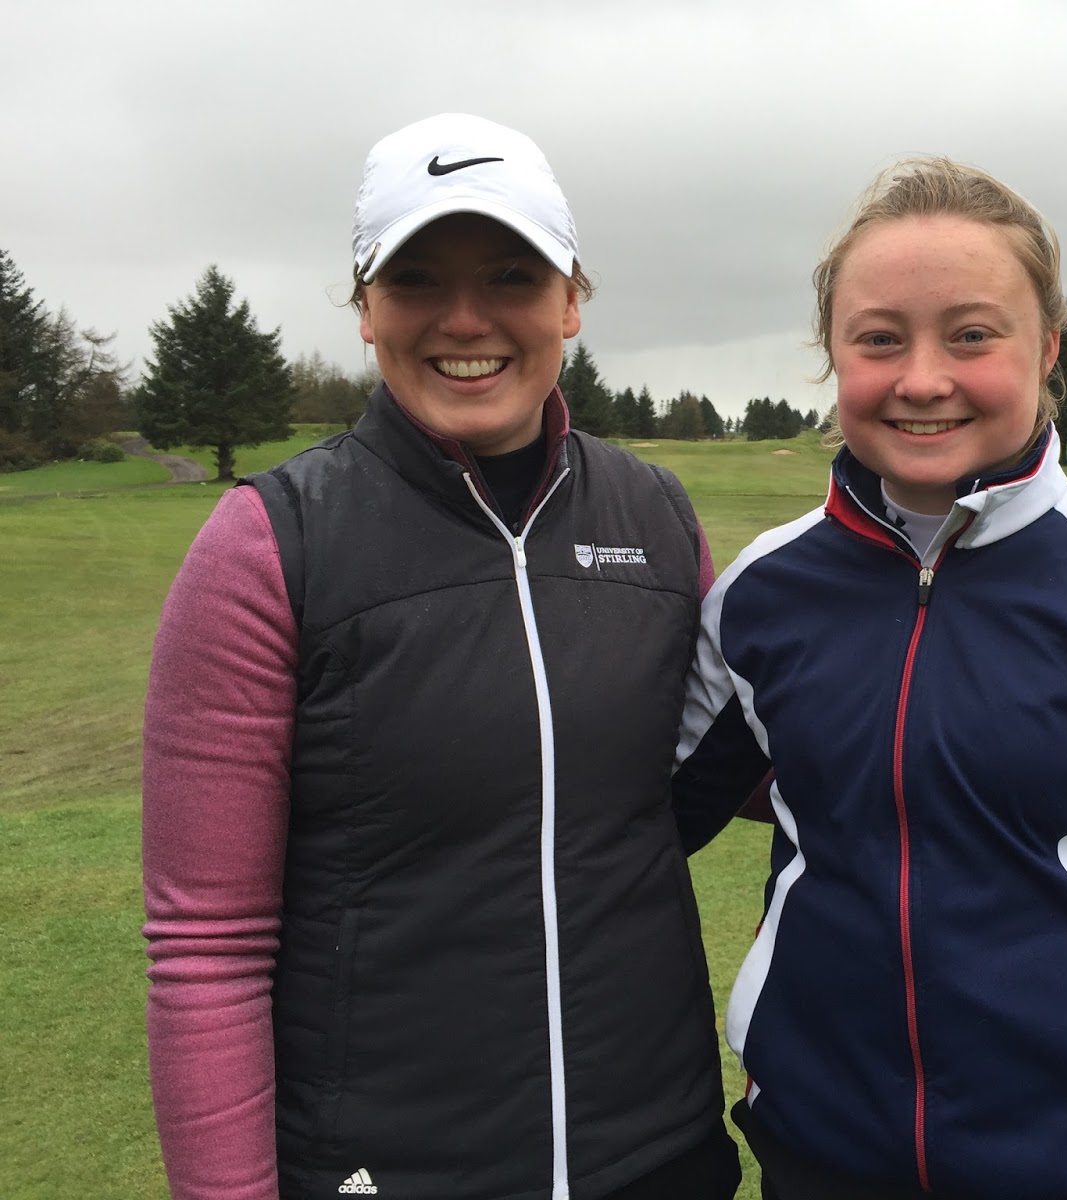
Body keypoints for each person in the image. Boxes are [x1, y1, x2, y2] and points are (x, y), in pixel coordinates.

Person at [673, 159, 1067, 1200]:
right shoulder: (760, 594)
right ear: (833, 351)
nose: (922, 378)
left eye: (971, 334)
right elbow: (627, 822)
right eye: (879, 337)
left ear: (1046, 344)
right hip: (819, 1156)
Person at [142, 113, 739, 1200]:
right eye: (417, 278)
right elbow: (206, 949)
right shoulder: (270, 543)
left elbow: (718, 778)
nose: (466, 319)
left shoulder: (655, 516)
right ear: (366, 307)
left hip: (658, 1155)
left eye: (512, 274)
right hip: (389, 1171)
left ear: (570, 299)